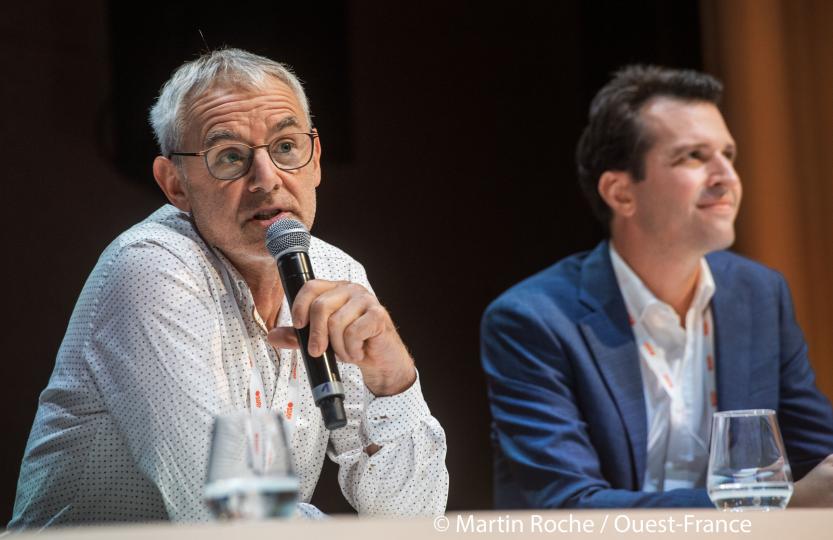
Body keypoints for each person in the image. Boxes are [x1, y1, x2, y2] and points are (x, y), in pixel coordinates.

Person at [10, 48, 448, 528]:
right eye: (230, 157)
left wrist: (394, 379)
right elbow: (229, 517)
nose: (266, 179)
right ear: (174, 184)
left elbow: (414, 516)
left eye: (285, 147)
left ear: (316, 159)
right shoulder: (150, 271)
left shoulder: (335, 275)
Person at [481, 65, 833, 509]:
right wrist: (773, 506)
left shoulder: (760, 295)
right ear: (620, 193)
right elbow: (570, 507)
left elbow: (816, 457)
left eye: (729, 154)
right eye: (693, 156)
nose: (727, 175)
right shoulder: (533, 320)